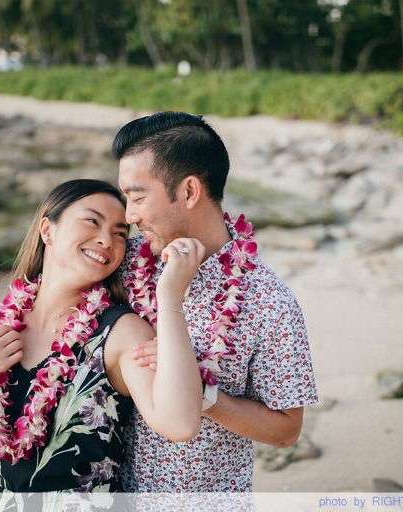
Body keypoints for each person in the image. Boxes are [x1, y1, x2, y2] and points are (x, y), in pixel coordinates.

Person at [0, 178, 203, 508]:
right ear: (47, 230)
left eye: (120, 233)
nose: (106, 240)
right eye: (92, 221)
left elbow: (180, 424)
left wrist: (170, 296)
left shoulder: (121, 332)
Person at [112, 111, 317, 492]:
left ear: (189, 191)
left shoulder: (268, 299)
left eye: (137, 197)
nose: (128, 215)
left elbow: (287, 429)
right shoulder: (122, 261)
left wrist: (201, 392)